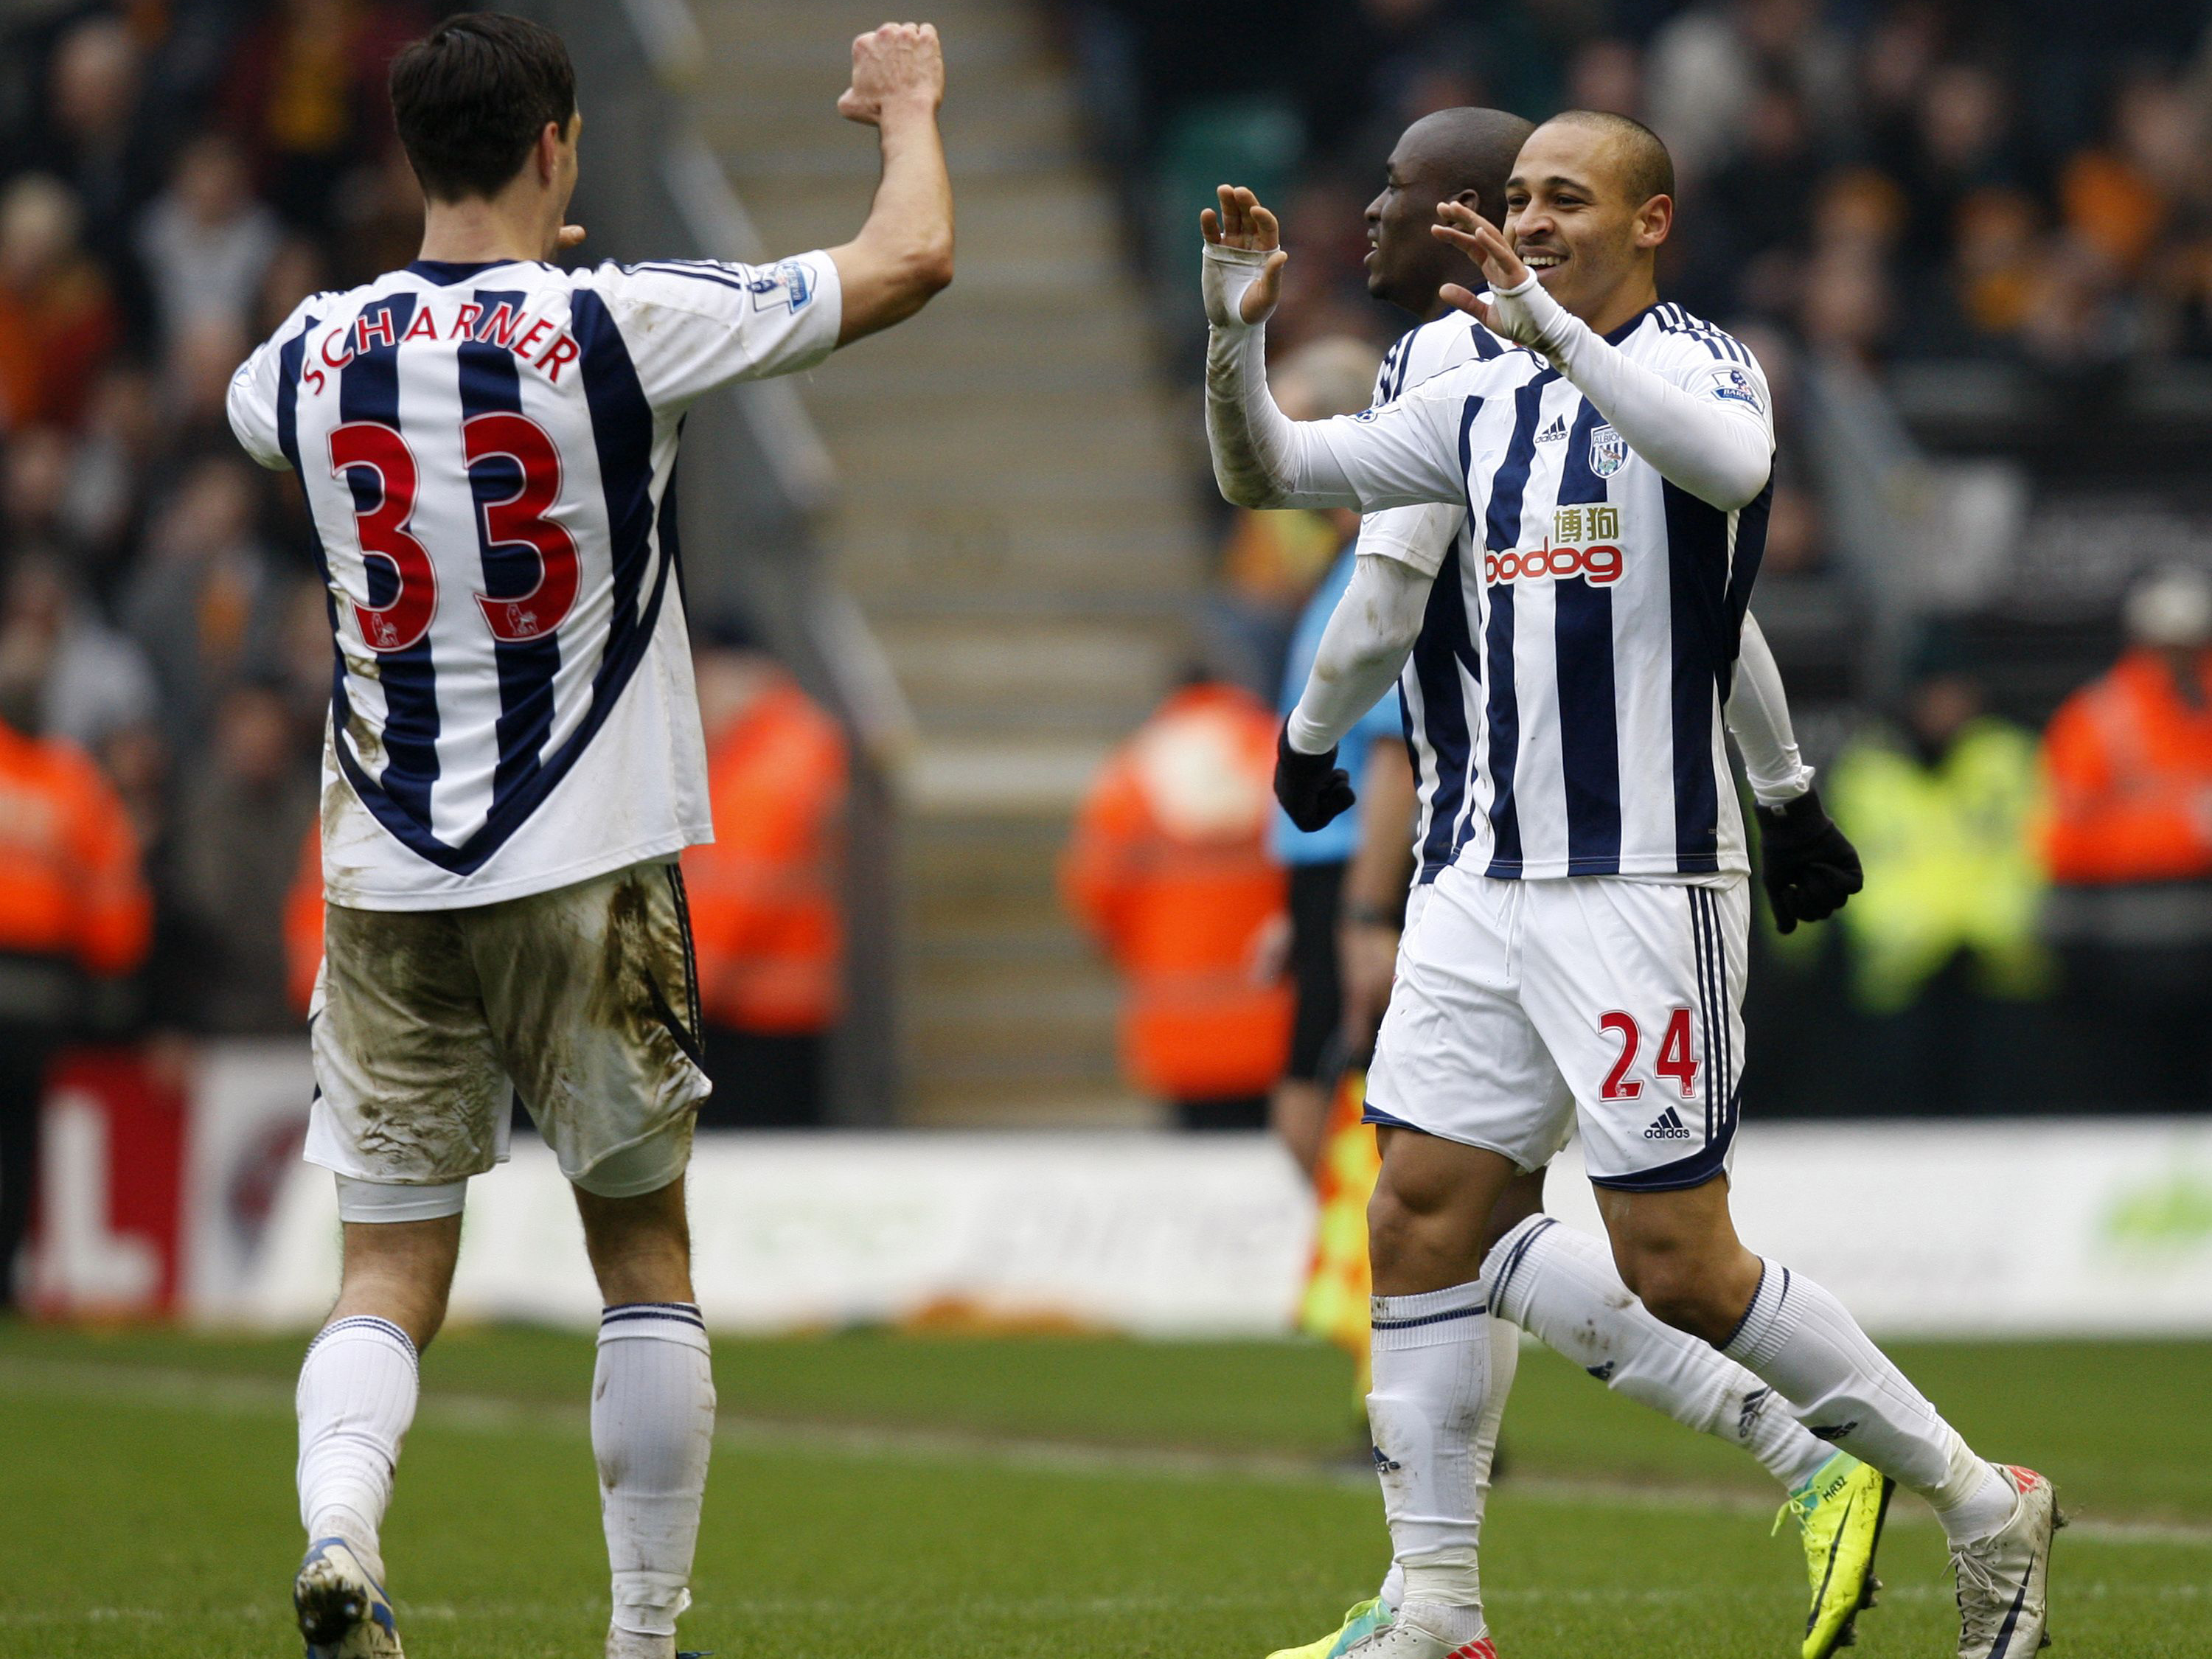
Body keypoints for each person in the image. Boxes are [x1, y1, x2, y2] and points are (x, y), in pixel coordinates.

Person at [1202, 108, 2056, 1659]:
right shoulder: (1463, 397)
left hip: (1640, 879)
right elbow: (1272, 474)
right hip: (1477, 872)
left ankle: (1975, 1494)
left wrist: (1782, 796)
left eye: (1566, 200)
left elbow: (1726, 485)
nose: (1531, 223)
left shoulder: (1705, 364)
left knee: (1678, 1262)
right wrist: (1225, 342)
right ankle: (1438, 1612)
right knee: (1418, 1214)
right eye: (1519, 200)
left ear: (1650, 222)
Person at [224, 15, 952, 1658]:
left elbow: (277, 414)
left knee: (389, 1263)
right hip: (589, 852)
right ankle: (640, 1634)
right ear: (561, 146)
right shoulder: (618, 321)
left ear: (413, 155)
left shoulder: (300, 357)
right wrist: (906, 104)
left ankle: (344, 1525)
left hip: (386, 871)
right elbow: (912, 259)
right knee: (642, 1254)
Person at [1062, 677, 1291, 1128]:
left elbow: (1094, 891)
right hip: (1275, 1017)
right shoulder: (1283, 754)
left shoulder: (1132, 775)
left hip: (1176, 1017)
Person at [2039, 566, 2212, 1105]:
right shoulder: (2097, 718)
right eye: (2166, 643)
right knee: (2130, 1102)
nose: (2178, 657)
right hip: (2122, 960)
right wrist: (2180, 831)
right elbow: (2063, 841)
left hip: (2200, 951)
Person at [683, 624, 848, 1127]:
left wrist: (683, 999)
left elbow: (740, 891)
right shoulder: (789, 743)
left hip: (753, 1008)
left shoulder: (768, 762)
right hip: (774, 1000)